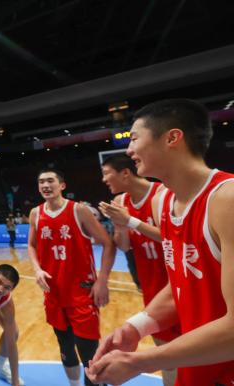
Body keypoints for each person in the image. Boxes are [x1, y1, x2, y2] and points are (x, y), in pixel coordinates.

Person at [87, 99, 234, 385]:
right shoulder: (164, 202)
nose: (129, 150)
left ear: (172, 138)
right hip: (199, 361)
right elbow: (184, 282)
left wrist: (141, 361)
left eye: (134, 138)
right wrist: (134, 328)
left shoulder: (226, 200)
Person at [27, 168, 115, 386]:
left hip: (81, 293)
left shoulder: (79, 211)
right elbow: (31, 245)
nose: (45, 186)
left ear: (62, 185)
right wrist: (37, 269)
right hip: (54, 294)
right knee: (65, 349)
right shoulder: (35, 214)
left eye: (50, 181)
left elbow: (107, 243)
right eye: (41, 182)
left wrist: (102, 281)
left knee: (89, 355)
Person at [99, 153, 178, 385]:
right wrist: (120, 225)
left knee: (192, 352)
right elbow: (124, 246)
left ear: (125, 173)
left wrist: (131, 221)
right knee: (165, 354)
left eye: (106, 174)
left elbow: (174, 238)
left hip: (178, 285)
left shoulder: (163, 194)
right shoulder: (121, 202)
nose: (103, 180)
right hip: (151, 285)